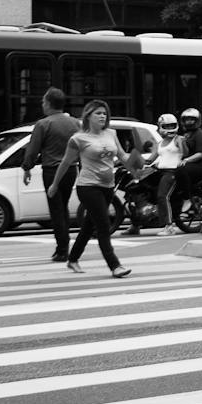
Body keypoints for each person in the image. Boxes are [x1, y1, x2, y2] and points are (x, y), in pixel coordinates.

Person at [55, 99, 139, 277]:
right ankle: (115, 266)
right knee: (103, 224)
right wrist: (55, 185)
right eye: (98, 113)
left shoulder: (111, 133)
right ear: (88, 116)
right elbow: (65, 162)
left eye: (104, 113)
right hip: (87, 187)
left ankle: (73, 259)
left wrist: (138, 171)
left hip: (108, 186)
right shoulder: (78, 139)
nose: (102, 116)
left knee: (88, 226)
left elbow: (123, 156)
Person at [19, 87, 81, 262]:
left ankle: (62, 249)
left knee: (56, 210)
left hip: (51, 171)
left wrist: (27, 168)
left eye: (43, 102)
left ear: (48, 104)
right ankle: (62, 247)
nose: (42, 105)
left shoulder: (43, 124)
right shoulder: (76, 123)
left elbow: (33, 150)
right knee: (63, 207)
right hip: (70, 170)